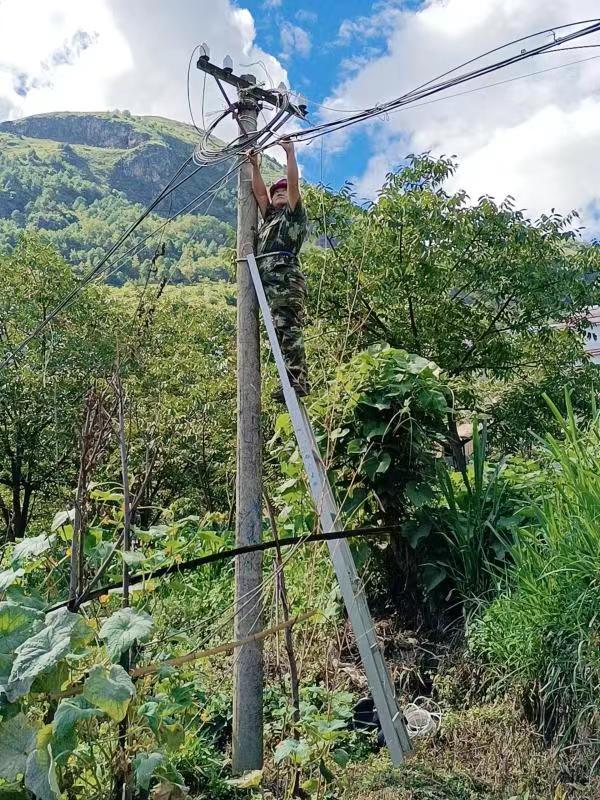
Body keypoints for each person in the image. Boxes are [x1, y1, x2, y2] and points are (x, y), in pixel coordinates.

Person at [249, 138, 310, 402]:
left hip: (285, 281)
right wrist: (255, 165)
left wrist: (290, 153)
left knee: (288, 328)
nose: (278, 194)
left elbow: (293, 184)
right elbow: (260, 194)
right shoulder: (271, 218)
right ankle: (288, 377)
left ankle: (298, 378)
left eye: (283, 192)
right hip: (269, 284)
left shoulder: (292, 216)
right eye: (277, 192)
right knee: (277, 331)